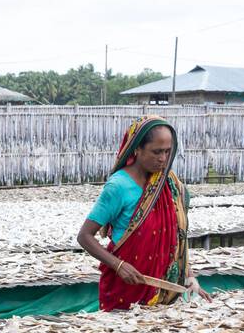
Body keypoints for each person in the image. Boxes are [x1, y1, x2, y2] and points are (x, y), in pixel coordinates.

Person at [77, 116, 207, 311]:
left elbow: (176, 237)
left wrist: (188, 275)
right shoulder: (118, 186)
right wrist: (118, 265)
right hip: (126, 289)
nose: (163, 158)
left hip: (164, 293)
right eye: (156, 152)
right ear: (137, 149)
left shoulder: (169, 184)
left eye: (167, 152)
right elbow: (85, 236)